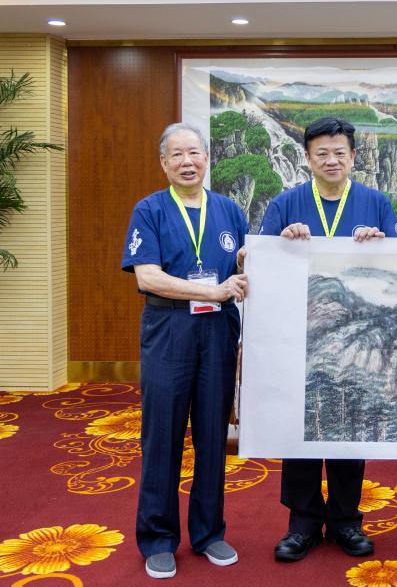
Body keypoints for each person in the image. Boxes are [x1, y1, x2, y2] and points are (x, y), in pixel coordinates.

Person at [259, 117, 397, 563]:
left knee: (348, 421)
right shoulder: (285, 204)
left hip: (358, 337)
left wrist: (381, 244)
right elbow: (258, 263)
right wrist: (282, 243)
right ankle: (301, 523)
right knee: (299, 425)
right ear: (307, 158)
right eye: (322, 153)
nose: (332, 160)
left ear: (354, 157)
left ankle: (345, 521)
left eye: (340, 152)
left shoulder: (375, 203)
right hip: (296, 336)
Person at [122, 122, 249, 580]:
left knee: (213, 433)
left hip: (217, 332)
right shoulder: (149, 210)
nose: (186, 162)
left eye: (193, 152)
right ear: (164, 163)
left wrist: (250, 264)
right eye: (176, 155)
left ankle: (209, 532)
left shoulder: (229, 210)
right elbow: (147, 276)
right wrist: (213, 291)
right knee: (163, 434)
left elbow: (244, 263)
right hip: (169, 329)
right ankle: (158, 538)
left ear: (207, 158)